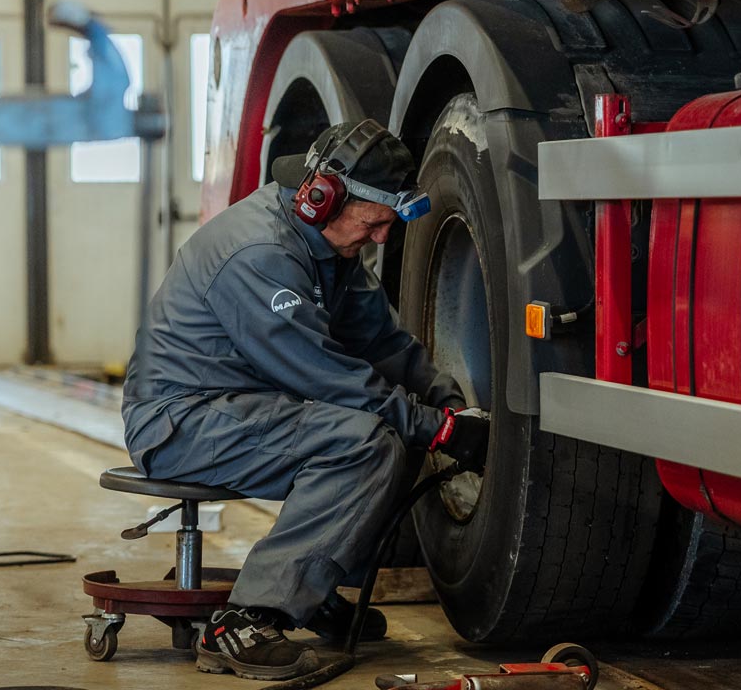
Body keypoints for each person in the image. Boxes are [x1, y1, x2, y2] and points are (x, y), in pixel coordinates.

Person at [122, 119, 490, 681]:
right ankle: (246, 620)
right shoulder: (260, 253)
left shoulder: (326, 246)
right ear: (323, 198)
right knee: (364, 442)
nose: (382, 239)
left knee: (396, 431)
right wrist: (436, 430)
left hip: (241, 407)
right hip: (180, 421)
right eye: (375, 223)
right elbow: (325, 377)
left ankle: (309, 586)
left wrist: (448, 404)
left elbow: (381, 343)